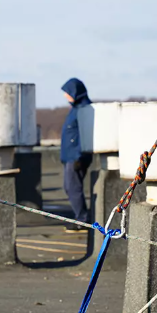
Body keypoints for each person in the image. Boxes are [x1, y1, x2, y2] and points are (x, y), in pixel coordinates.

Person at [60, 78, 92, 231]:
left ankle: (83, 219)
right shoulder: (75, 108)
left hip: (76, 157)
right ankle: (82, 217)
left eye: (68, 93)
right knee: (69, 187)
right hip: (70, 156)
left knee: (73, 188)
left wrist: (79, 155)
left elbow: (84, 133)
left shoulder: (84, 109)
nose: (66, 96)